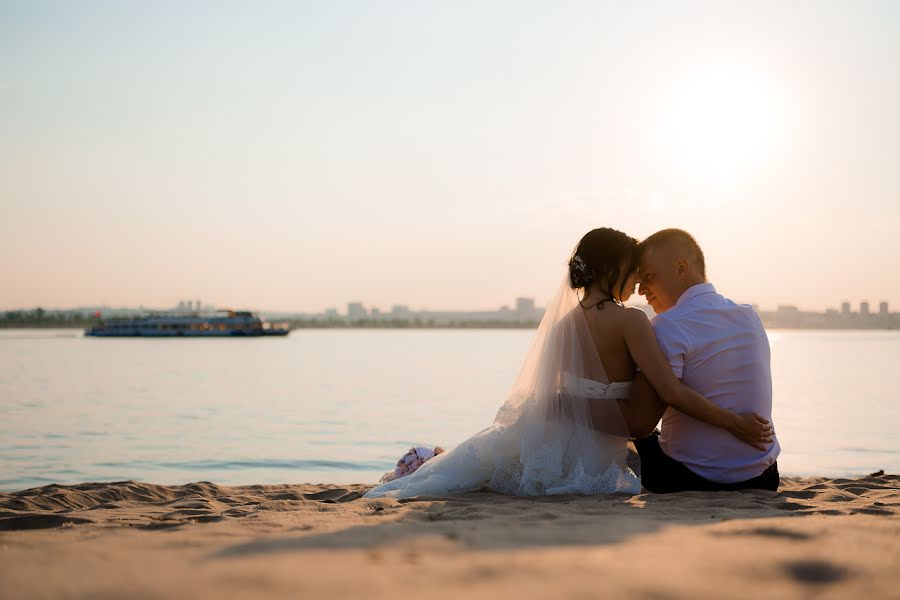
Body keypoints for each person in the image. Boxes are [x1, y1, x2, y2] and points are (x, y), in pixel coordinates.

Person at [364, 228, 773, 499]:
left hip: (559, 437)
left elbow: (589, 397)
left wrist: (560, 404)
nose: (639, 286)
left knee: (489, 464)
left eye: (645, 275)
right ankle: (434, 458)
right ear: (613, 269)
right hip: (747, 470)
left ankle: (433, 458)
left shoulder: (564, 325)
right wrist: (735, 423)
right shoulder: (644, 321)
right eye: (635, 274)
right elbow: (650, 409)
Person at [624, 228, 781, 493]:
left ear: (681, 267)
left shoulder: (667, 325)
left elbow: (641, 423)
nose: (641, 290)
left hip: (688, 478)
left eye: (648, 277)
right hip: (763, 476)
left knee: (621, 431)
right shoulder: (749, 316)